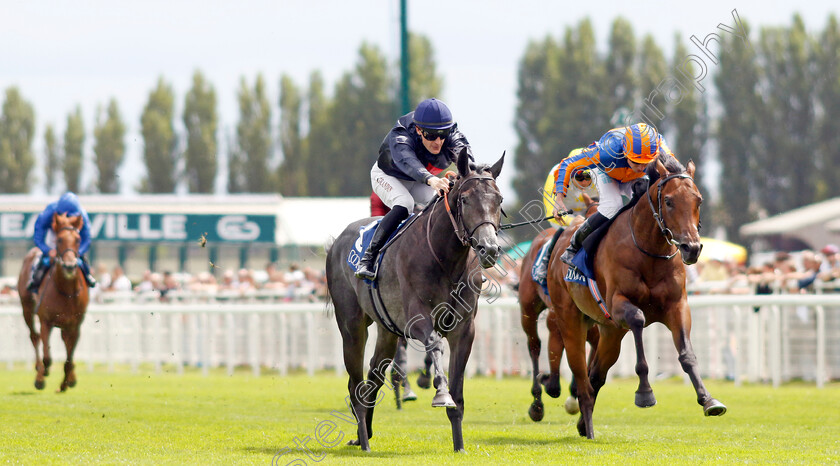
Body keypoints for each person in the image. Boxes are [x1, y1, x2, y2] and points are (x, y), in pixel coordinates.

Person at [355, 98, 473, 280]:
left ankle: (464, 262)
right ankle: (368, 257)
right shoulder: (401, 135)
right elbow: (408, 163)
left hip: (420, 180)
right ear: (418, 130)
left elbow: (466, 158)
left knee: (445, 203)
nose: (438, 141)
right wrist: (431, 180)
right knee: (405, 203)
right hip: (388, 175)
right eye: (431, 136)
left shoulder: (448, 133)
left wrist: (470, 174)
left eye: (443, 135)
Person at [554, 123, 678, 268]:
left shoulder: (660, 147)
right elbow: (568, 164)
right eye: (636, 162)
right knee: (613, 205)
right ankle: (575, 245)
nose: (641, 167)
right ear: (625, 152)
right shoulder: (606, 152)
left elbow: (676, 172)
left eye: (646, 163)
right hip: (607, 173)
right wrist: (558, 199)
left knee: (647, 201)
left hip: (632, 178)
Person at [532, 148, 600, 281]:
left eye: (589, 177)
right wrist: (572, 221)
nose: (585, 182)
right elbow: (551, 211)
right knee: (568, 229)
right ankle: (545, 260)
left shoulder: (599, 174)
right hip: (562, 213)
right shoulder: (555, 176)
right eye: (580, 177)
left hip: (587, 209)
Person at [27, 192, 96, 293]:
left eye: (71, 217)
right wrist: (48, 250)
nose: (68, 219)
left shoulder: (82, 215)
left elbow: (86, 240)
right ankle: (35, 280)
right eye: (66, 216)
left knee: (81, 259)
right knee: (45, 260)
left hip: (72, 240)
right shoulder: (47, 214)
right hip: (54, 235)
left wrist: (78, 252)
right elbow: (38, 237)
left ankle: (87, 275)